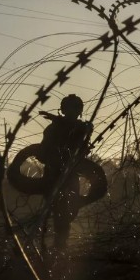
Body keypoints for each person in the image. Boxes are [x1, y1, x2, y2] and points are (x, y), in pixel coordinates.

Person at [36, 94, 94, 249]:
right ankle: (57, 246)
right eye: (70, 109)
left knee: (66, 213)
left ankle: (59, 246)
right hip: (55, 175)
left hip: (68, 175)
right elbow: (43, 154)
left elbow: (82, 152)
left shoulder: (81, 129)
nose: (72, 112)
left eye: (75, 109)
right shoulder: (56, 129)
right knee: (58, 213)